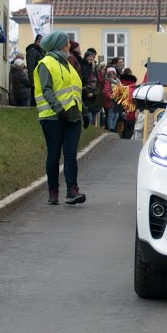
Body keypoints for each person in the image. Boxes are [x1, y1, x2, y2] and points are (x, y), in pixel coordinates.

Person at [34, 31, 86, 206]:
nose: (69, 46)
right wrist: (58, 109)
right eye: (67, 43)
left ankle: (72, 190)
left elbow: (74, 92)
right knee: (54, 155)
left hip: (73, 116)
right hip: (52, 117)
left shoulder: (69, 65)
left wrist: (84, 111)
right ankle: (53, 191)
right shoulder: (45, 64)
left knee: (71, 154)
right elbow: (46, 89)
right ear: (59, 45)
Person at [80, 48, 104, 129]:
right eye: (89, 57)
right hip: (87, 88)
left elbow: (96, 76)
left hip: (93, 88)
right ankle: (89, 126)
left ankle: (92, 126)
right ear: (86, 57)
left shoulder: (93, 66)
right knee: (88, 109)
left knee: (93, 109)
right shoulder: (85, 65)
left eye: (92, 57)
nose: (91, 58)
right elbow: (85, 77)